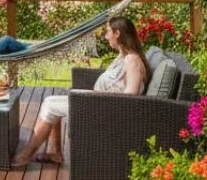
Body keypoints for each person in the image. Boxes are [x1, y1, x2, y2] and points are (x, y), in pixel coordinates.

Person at [10, 15, 150, 168]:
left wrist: (100, 96)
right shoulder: (123, 57)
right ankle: (55, 152)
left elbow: (131, 96)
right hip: (100, 102)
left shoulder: (132, 60)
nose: (106, 36)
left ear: (117, 33)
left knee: (50, 106)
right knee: (50, 101)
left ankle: (27, 154)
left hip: (108, 109)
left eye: (108, 32)